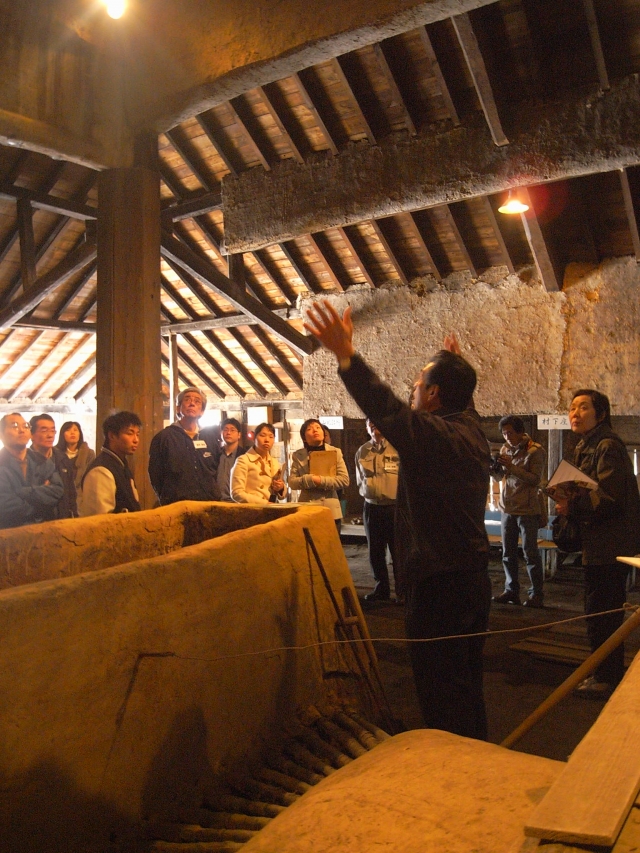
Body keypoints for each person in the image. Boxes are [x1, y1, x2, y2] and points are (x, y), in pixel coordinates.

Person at [304, 300, 491, 740]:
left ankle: (451, 766)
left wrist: (346, 357)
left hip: (440, 585)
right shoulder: (470, 428)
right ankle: (476, 759)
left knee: (441, 693)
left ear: (435, 395)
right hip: (470, 579)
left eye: (419, 385)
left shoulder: (436, 435)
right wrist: (455, 368)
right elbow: (460, 402)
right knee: (465, 686)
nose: (412, 391)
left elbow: (387, 409)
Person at [555, 389, 640, 696]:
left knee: (602, 613)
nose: (575, 413)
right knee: (598, 611)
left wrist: (571, 505)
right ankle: (604, 672)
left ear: (601, 414)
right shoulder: (587, 445)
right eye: (572, 408)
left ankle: (606, 677)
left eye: (583, 407)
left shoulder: (607, 446)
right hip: (599, 543)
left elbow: (608, 497)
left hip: (609, 546)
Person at [491, 415, 547, 608]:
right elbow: (499, 477)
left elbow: (534, 479)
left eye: (510, 433)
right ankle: (511, 590)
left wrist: (511, 467)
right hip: (507, 507)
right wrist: (494, 468)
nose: (507, 437)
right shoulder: (505, 449)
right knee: (507, 552)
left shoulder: (535, 451)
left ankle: (536, 594)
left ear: (520, 432)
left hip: (527, 509)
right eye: (504, 433)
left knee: (530, 553)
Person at [148, 387, 221, 505]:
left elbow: (217, 469)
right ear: (178, 408)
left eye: (197, 401)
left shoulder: (210, 437)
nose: (192, 403)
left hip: (209, 504)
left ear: (202, 411)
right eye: (187, 400)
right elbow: (155, 474)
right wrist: (166, 497)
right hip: (177, 505)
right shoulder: (164, 437)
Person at [355, 418, 401, 603]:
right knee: (375, 551)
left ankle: (403, 591)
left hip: (394, 507)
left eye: (377, 422)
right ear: (367, 428)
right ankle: (381, 589)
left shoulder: (397, 447)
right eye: (370, 424)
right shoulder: (362, 451)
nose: (374, 426)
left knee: (398, 551)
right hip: (372, 507)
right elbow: (360, 479)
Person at [0, 413, 64, 529]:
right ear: (1, 434)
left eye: (25, 426)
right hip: (8, 534)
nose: (21, 430)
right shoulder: (2, 463)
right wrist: (41, 506)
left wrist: (22, 492)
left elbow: (57, 491)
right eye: (14, 426)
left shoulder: (42, 461)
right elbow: (4, 504)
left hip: (42, 532)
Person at [289, 417, 349, 532]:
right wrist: (309, 479)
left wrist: (320, 480)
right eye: (309, 429)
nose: (315, 430)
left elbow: (344, 480)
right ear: (304, 437)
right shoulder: (298, 455)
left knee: (332, 543)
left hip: (331, 509)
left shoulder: (335, 452)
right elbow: (292, 482)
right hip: (307, 509)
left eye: (318, 427)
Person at [79, 411, 142, 516]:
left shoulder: (121, 465)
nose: (136, 440)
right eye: (130, 433)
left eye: (137, 434)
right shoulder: (100, 471)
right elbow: (100, 519)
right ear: (112, 436)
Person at [29, 413, 76, 519]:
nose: (50, 435)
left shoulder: (63, 459)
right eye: (44, 430)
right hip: (37, 521)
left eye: (52, 430)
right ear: (31, 435)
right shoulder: (25, 461)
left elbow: (71, 495)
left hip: (62, 521)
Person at [231, 422, 285, 504]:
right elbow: (237, 493)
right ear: (254, 438)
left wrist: (280, 488)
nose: (267, 440)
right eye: (262, 435)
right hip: (253, 509)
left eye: (271, 437)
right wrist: (263, 503)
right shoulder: (243, 460)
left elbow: (279, 492)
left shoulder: (274, 462)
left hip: (271, 508)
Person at [56, 421, 96, 511]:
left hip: (82, 499)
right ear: (62, 434)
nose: (72, 433)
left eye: (75, 430)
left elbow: (91, 479)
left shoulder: (88, 454)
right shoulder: (56, 453)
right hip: (61, 497)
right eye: (68, 430)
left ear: (80, 434)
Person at [215, 417, 246, 501]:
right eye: (225, 430)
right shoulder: (215, 454)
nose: (228, 433)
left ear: (239, 435)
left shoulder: (244, 455)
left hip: (237, 502)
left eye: (232, 430)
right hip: (217, 501)